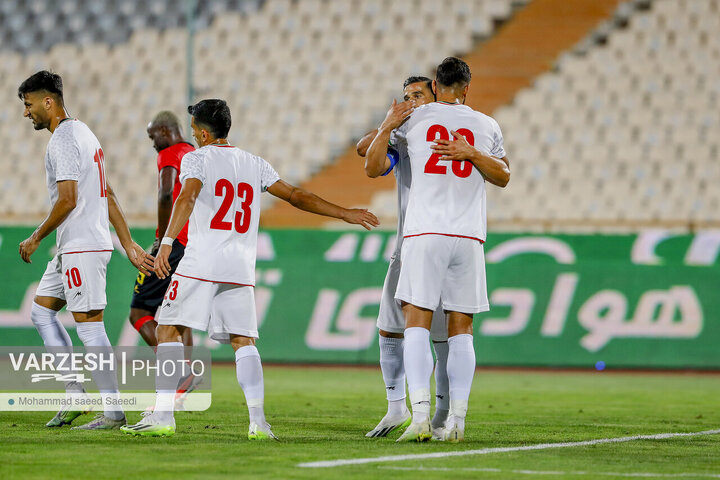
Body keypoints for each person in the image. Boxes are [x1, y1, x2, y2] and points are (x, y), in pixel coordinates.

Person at [122, 99, 379, 439]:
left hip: (201, 261)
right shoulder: (253, 163)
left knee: (167, 329)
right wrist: (344, 213)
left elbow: (185, 198)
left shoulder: (196, 158)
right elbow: (297, 195)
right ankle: (258, 422)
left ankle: (163, 416)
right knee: (244, 342)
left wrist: (167, 241)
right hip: (240, 267)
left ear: (200, 132)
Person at [367, 57, 510, 442]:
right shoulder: (487, 125)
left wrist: (389, 121)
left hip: (424, 233)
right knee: (461, 329)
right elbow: (503, 176)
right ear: (467, 87)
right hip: (468, 236)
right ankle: (457, 422)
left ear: (434, 84)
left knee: (416, 322)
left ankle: (420, 417)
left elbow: (370, 163)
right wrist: (473, 153)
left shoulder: (415, 117)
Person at [17, 70, 153, 429]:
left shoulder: (63, 138)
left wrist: (35, 237)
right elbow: (106, 193)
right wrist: (127, 242)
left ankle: (113, 412)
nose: (26, 113)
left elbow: (67, 200)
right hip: (75, 247)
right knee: (42, 312)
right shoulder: (86, 133)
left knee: (90, 327)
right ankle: (75, 392)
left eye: (29, 105)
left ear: (49, 101)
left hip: (81, 246)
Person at [357, 76, 450, 440]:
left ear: (437, 95)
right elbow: (367, 157)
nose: (412, 101)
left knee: (443, 335)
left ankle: (442, 412)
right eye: (406, 96)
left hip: (441, 242)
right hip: (407, 244)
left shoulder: (448, 128)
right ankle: (397, 406)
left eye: (418, 95)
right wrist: (389, 124)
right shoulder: (406, 134)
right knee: (389, 328)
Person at [128, 112, 200, 404]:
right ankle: (186, 378)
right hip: (195, 245)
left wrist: (161, 241)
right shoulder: (194, 153)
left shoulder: (171, 153)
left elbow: (166, 193)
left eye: (152, 136)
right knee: (182, 315)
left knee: (138, 310)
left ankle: (181, 374)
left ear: (164, 130)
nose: (153, 144)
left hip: (175, 243)